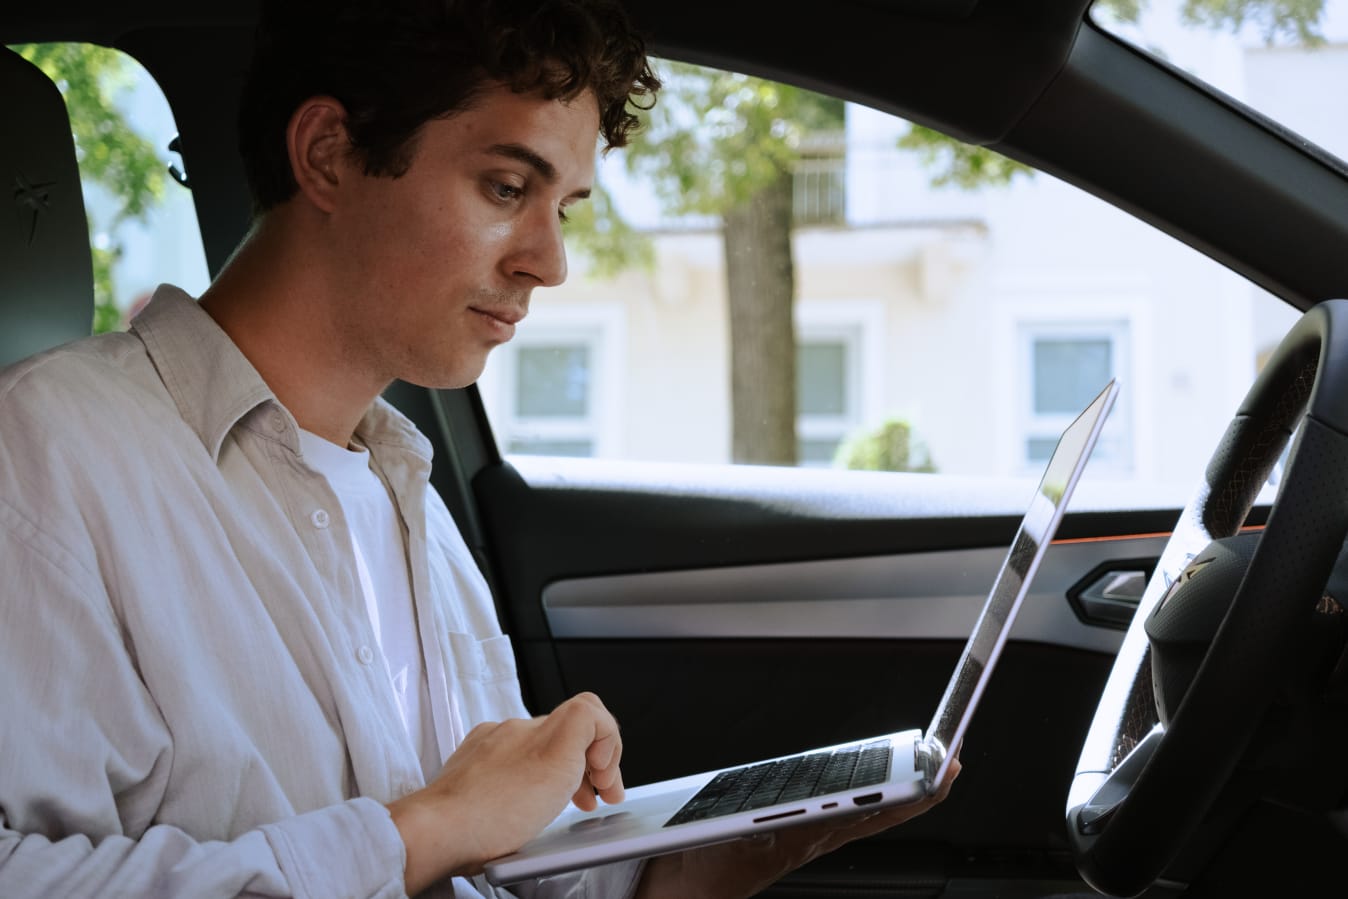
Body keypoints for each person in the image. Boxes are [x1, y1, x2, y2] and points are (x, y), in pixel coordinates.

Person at [0, 1, 957, 896]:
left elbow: (481, 862)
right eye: (507, 187)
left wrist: (734, 847)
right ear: (329, 154)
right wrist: (426, 826)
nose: (549, 261)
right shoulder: (46, 454)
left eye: (565, 208)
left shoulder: (404, 487)